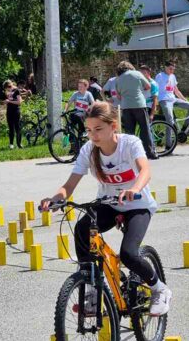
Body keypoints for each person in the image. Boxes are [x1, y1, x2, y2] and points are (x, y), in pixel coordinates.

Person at [40, 102, 172, 317]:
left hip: (137, 205)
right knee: (83, 229)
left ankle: (160, 289)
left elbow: (145, 170)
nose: (93, 135)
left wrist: (135, 188)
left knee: (129, 254)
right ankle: (92, 292)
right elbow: (70, 184)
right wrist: (55, 199)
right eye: (89, 130)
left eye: (98, 129)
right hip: (109, 204)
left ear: (113, 126)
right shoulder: (88, 151)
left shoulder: (130, 144)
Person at [114, 61, 155, 159]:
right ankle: (149, 153)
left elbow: (118, 96)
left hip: (126, 107)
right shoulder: (137, 74)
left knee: (129, 132)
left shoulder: (118, 79)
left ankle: (131, 154)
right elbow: (148, 86)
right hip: (139, 104)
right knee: (145, 129)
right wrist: (139, 89)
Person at [155, 61, 189, 135]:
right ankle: (169, 145)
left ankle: (185, 129)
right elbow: (155, 89)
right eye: (170, 69)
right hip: (164, 100)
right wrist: (156, 102)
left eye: (173, 69)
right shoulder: (160, 76)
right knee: (170, 120)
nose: (172, 71)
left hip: (173, 99)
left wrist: (185, 100)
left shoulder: (173, 76)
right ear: (165, 67)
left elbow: (176, 91)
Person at [4, 80, 23, 149]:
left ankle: (19, 144)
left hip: (16, 111)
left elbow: (19, 102)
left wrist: (10, 101)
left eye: (9, 86)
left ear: (12, 84)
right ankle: (11, 144)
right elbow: (9, 100)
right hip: (9, 111)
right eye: (7, 87)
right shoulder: (8, 92)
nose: (9, 88)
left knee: (17, 127)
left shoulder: (17, 90)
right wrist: (7, 102)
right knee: (10, 128)